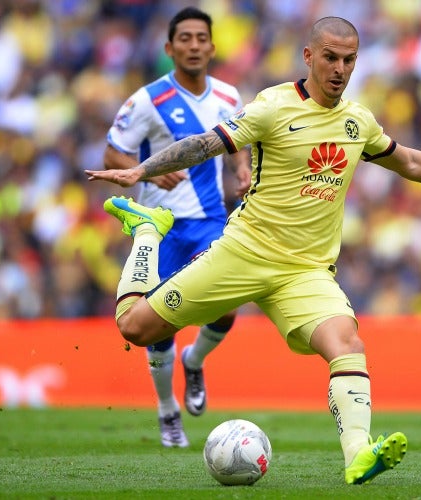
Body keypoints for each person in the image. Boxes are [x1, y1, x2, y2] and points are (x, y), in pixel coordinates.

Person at [86, 16, 421, 484]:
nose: (340, 69)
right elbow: (204, 145)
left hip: (306, 271)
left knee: (348, 345)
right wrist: (141, 172)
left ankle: (359, 454)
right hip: (244, 252)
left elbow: (410, 161)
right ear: (309, 56)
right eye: (332, 58)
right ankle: (147, 233)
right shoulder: (271, 107)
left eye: (349, 60)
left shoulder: (358, 121)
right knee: (134, 328)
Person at [102, 6, 251, 448]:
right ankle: (168, 411)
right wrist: (147, 171)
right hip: (160, 225)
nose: (193, 45)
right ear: (170, 48)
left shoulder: (229, 97)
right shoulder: (146, 100)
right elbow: (114, 154)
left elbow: (238, 144)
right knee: (157, 323)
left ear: (212, 46)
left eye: (200, 38)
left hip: (209, 220)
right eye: (184, 38)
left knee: (226, 304)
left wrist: (241, 169)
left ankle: (195, 361)